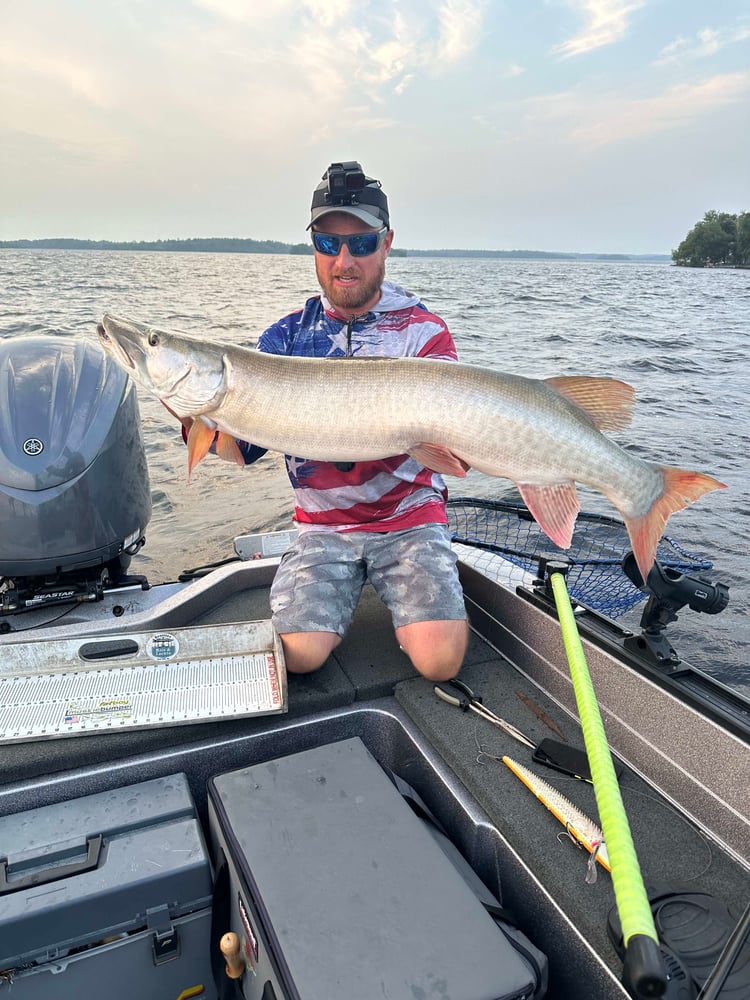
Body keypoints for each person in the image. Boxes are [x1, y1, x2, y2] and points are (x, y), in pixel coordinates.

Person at [184, 161, 469, 681]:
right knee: (298, 657)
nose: (344, 260)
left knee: (440, 662)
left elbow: (453, 437)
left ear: (386, 244)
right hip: (322, 527)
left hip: (409, 516)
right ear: (313, 246)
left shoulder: (424, 334)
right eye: (327, 243)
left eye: (361, 244)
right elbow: (240, 451)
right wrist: (195, 413)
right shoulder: (284, 340)